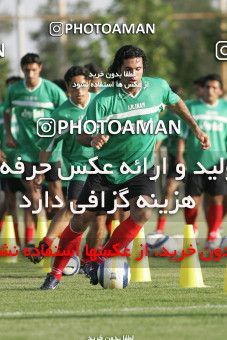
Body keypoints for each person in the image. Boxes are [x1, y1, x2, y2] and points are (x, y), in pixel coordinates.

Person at [39, 45, 210, 290]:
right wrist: (93, 139)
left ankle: (100, 259)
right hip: (105, 170)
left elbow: (176, 102)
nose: (133, 74)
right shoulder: (104, 101)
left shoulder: (157, 87)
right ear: (118, 71)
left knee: (143, 212)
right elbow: (81, 136)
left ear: (143, 70)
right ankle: (54, 273)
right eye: (127, 69)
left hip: (141, 167)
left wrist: (195, 128)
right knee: (80, 220)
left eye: (137, 69)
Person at [3, 53, 67, 241]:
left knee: (55, 189)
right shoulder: (15, 90)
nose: (30, 73)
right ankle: (42, 231)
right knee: (31, 188)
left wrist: (58, 133)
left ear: (40, 69)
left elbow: (66, 111)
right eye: (27, 70)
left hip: (50, 149)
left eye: (33, 70)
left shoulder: (52, 90)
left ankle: (62, 233)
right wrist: (8, 134)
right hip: (25, 151)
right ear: (22, 70)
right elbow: (6, 110)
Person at [178, 74, 227, 249]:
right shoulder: (191, 107)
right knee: (191, 200)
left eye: (215, 87)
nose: (210, 90)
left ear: (220, 91)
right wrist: (180, 157)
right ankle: (192, 231)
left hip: (218, 162)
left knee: (216, 199)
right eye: (207, 87)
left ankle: (213, 234)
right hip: (194, 163)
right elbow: (182, 136)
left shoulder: (226, 108)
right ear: (203, 89)